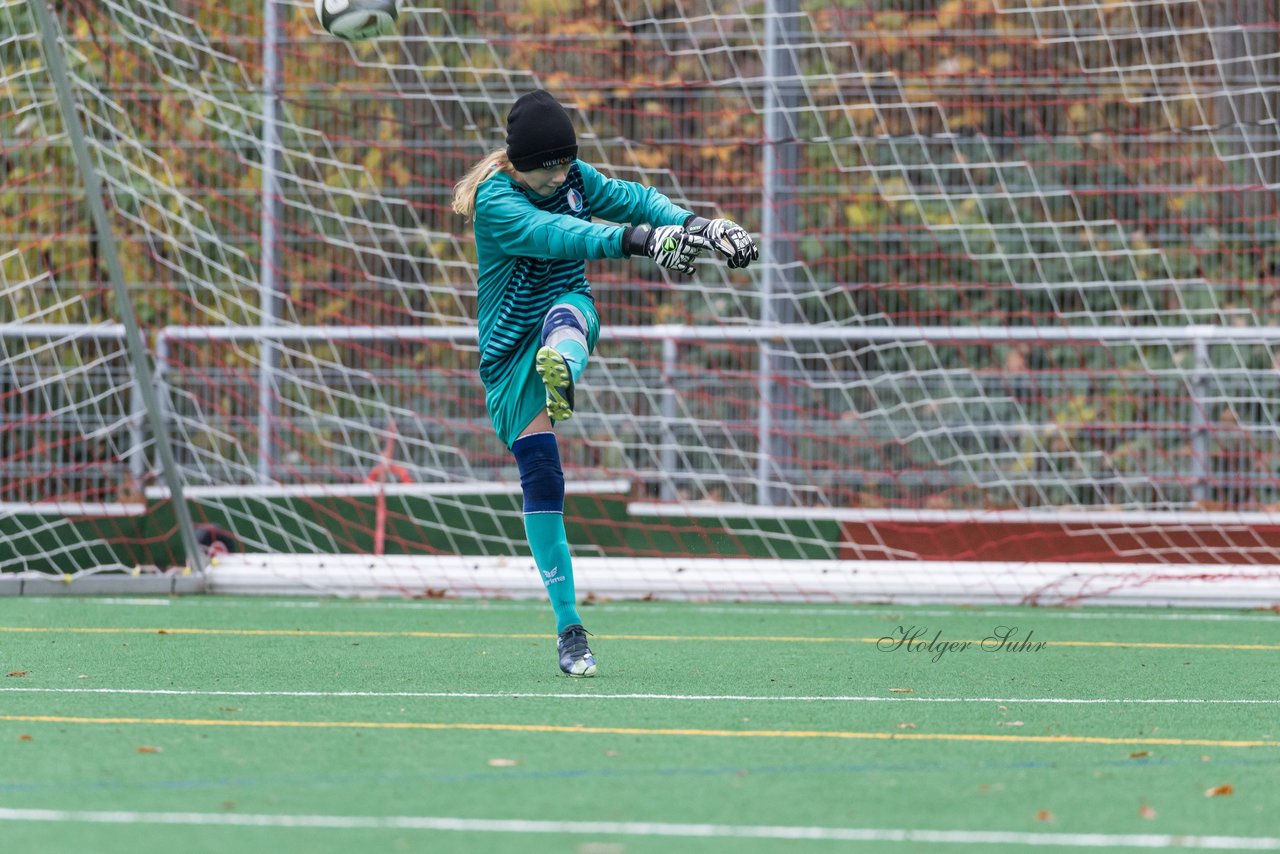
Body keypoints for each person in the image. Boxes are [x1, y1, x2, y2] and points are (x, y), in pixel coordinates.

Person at [451, 89, 759, 676]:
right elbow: (561, 235)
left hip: (565, 312)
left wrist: (701, 226)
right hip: (506, 356)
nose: (561, 178)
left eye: (566, 165)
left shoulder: (571, 177)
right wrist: (641, 241)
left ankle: (562, 365)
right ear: (519, 165)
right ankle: (568, 627)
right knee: (541, 479)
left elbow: (633, 198)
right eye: (549, 170)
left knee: (570, 315)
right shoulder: (496, 201)